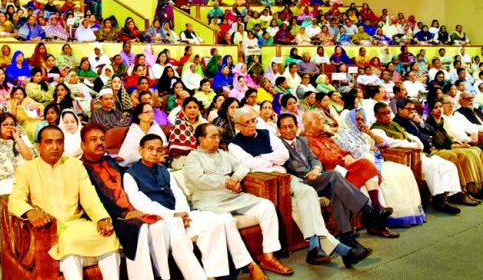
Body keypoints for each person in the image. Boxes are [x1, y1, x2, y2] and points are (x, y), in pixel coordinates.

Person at [124, 134, 268, 279]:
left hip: (181, 215)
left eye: (159, 150)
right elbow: (141, 203)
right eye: (150, 149)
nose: (155, 153)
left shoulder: (164, 171)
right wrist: (173, 215)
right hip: (159, 221)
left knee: (219, 220)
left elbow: (178, 194)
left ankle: (215, 274)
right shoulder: (130, 175)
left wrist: (183, 214)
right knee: (180, 239)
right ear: (140, 150)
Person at [79, 124, 206, 279]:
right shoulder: (81, 168)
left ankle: (164, 276)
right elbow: (90, 199)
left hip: (133, 210)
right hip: (113, 216)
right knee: (145, 228)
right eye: (93, 140)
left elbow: (129, 185)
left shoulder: (110, 161)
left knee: (159, 224)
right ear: (83, 145)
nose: (99, 143)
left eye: (102, 139)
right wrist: (123, 214)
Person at [8, 126, 121, 280]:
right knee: (68, 241)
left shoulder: (75, 165)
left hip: (77, 222)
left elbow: (90, 197)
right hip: (52, 227)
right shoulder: (26, 170)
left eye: (59, 142)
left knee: (108, 236)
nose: (55, 147)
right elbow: (15, 199)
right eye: (48, 142)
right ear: (38, 146)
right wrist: (30, 212)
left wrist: (101, 218)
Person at [183, 123, 294, 276]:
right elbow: (200, 180)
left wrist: (235, 178)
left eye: (218, 137)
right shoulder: (192, 158)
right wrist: (227, 182)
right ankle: (248, 265)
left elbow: (244, 166)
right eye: (212, 137)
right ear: (200, 139)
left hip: (234, 197)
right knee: (225, 220)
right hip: (210, 203)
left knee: (266, 206)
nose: (217, 140)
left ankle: (269, 256)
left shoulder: (222, 153)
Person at [276, 114, 379, 266]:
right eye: (284, 127)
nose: (288, 130)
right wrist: (310, 173)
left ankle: (346, 235)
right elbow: (290, 166)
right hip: (301, 181)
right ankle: (367, 209)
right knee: (334, 175)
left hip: (315, 177)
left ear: (297, 127)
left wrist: (316, 169)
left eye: (291, 126)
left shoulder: (302, 141)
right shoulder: (278, 145)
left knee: (336, 190)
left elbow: (314, 159)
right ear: (279, 129)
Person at [369, 102, 476, 212]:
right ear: (376, 116)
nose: (387, 116)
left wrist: (417, 143)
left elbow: (411, 136)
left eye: (388, 113)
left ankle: (444, 198)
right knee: (433, 166)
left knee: (447, 165)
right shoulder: (376, 129)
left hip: (417, 152)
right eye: (383, 114)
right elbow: (390, 143)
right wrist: (412, 145)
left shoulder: (394, 125)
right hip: (403, 157)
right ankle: (439, 201)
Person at [0, 112, 34, 263]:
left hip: (27, 177)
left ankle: (29, 246)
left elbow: (30, 158)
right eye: (5, 125)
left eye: (12, 124)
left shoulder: (22, 137)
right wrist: (13, 168)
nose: (10, 127)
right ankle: (1, 249)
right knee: (1, 198)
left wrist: (18, 139)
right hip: (4, 180)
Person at [119, 103, 168, 167]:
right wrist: (156, 158)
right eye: (147, 112)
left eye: (152, 111)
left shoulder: (155, 126)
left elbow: (164, 147)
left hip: (155, 163)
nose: (151, 114)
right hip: (135, 165)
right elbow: (130, 156)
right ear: (139, 115)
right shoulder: (134, 130)